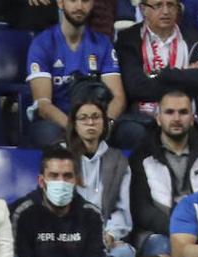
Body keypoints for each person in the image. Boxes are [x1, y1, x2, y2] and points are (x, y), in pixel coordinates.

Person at [10, 145, 114, 257]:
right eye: (54, 176)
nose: (61, 182)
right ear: (42, 181)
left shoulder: (91, 213)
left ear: (76, 180)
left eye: (67, 176)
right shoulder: (23, 212)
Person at [25, 0, 126, 149]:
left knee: (131, 132)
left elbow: (118, 97)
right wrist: (76, 128)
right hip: (59, 122)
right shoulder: (42, 44)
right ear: (60, 3)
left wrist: (104, 124)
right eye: (73, 0)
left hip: (96, 120)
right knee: (47, 134)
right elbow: (43, 104)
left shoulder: (103, 43)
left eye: (85, 1)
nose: (79, 6)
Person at [113, 0, 198, 150]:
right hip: (144, 119)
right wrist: (185, 75)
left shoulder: (194, 37)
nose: (166, 11)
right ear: (143, 9)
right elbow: (136, 87)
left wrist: (161, 74)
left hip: (189, 119)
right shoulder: (128, 39)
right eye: (158, 5)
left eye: (170, 5)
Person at [129, 90, 198, 257]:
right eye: (169, 112)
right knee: (162, 246)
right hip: (157, 231)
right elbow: (142, 209)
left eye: (183, 112)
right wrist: (180, 229)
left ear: (192, 118)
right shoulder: (141, 156)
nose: (176, 118)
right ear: (158, 118)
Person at [65, 100, 133, 257]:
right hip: (67, 235)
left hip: (104, 236)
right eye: (83, 118)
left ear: (104, 123)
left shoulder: (118, 160)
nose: (90, 122)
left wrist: (110, 235)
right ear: (74, 125)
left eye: (96, 117)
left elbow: (121, 209)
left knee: (125, 255)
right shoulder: (62, 157)